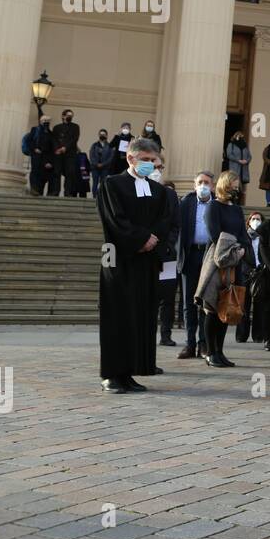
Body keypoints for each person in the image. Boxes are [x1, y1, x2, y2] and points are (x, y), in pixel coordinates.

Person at [95, 138, 175, 393]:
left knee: (140, 316)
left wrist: (152, 240)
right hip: (119, 261)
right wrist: (140, 239)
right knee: (116, 317)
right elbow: (113, 219)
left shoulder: (159, 190)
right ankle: (111, 374)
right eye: (147, 160)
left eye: (154, 161)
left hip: (145, 262)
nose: (151, 165)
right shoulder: (112, 184)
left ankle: (130, 372)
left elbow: (165, 219)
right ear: (131, 158)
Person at [195, 171, 252, 368]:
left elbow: (243, 233)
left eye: (237, 185)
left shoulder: (236, 209)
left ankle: (220, 351)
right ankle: (210, 352)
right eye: (233, 185)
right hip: (217, 262)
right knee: (212, 307)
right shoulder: (213, 206)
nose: (235, 189)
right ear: (224, 185)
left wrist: (242, 250)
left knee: (227, 305)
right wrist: (233, 249)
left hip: (235, 262)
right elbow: (214, 234)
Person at [174, 171, 217, 359]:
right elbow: (176, 227)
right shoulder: (186, 203)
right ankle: (190, 344)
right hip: (190, 255)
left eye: (207, 182)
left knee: (205, 301)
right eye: (200, 182)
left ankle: (203, 344)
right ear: (194, 185)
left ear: (213, 185)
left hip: (209, 257)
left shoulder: (217, 205)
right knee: (188, 303)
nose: (203, 185)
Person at [240, 209, 270, 350]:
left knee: (261, 307)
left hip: (263, 273)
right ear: (248, 221)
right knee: (244, 306)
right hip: (247, 274)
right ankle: (242, 335)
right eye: (253, 218)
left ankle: (258, 335)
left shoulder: (264, 236)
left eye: (258, 219)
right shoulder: (244, 236)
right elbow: (241, 255)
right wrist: (248, 270)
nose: (256, 221)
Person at [155, 175, 181, 347]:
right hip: (147, 253)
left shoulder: (173, 201)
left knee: (168, 297)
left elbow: (175, 225)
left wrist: (168, 244)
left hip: (168, 256)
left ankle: (166, 334)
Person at [48, 108, 80, 197]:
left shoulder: (75, 127)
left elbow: (74, 139)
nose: (70, 117)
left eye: (71, 115)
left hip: (70, 154)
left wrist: (65, 147)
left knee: (69, 173)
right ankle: (55, 191)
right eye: (68, 115)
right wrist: (57, 149)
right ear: (63, 116)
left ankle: (67, 192)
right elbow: (54, 140)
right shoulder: (56, 127)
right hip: (58, 154)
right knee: (56, 173)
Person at [28, 116, 55, 196]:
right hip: (36, 155)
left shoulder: (50, 133)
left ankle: (40, 191)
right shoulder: (35, 130)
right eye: (44, 120)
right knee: (35, 172)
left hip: (46, 157)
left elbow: (51, 148)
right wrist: (34, 149)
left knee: (43, 175)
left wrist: (50, 161)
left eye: (48, 120)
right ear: (40, 121)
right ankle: (34, 189)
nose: (46, 122)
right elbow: (29, 141)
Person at [89, 129, 113, 198]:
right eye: (101, 134)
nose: (102, 135)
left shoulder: (109, 145)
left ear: (106, 135)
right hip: (95, 167)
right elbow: (91, 155)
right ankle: (94, 196)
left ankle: (102, 197)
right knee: (95, 182)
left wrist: (103, 164)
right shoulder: (94, 145)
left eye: (104, 134)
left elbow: (110, 157)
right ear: (99, 135)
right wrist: (96, 164)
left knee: (103, 183)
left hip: (105, 168)